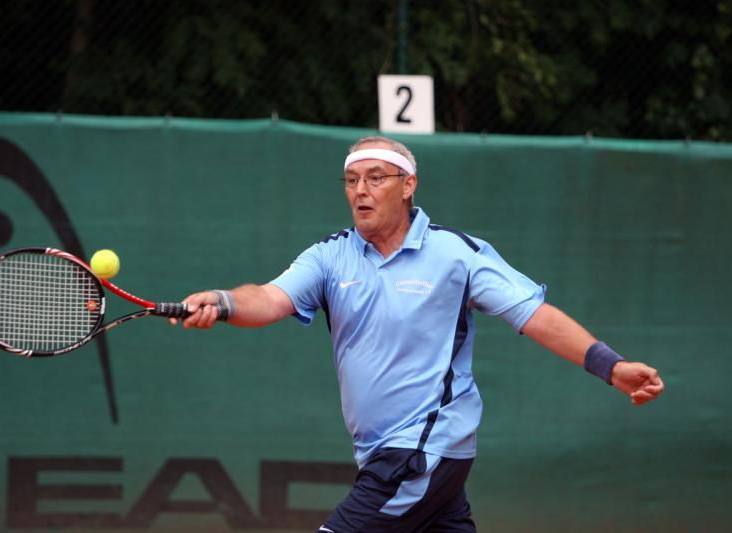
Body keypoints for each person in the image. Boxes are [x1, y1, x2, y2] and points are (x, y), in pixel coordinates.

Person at [171, 136, 665, 532]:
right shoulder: (330, 256)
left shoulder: (456, 255)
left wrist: (612, 367)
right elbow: (268, 298)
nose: (360, 190)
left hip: (422, 449)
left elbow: (535, 317)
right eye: (351, 180)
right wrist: (224, 301)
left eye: (375, 178)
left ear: (408, 185)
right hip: (384, 453)